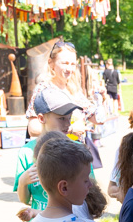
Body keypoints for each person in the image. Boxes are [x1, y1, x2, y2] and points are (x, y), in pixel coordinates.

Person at [14, 87, 82, 215]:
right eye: (61, 118)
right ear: (41, 118)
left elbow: (89, 194)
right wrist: (23, 181)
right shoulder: (27, 152)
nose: (67, 124)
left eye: (69, 118)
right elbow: (25, 200)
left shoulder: (78, 150)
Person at [25, 40, 101, 139]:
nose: (69, 69)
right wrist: (71, 129)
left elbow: (97, 118)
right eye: (65, 63)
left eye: (73, 64)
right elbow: (33, 129)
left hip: (75, 150)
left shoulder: (74, 90)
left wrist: (100, 97)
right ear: (51, 63)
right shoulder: (44, 89)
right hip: (55, 151)